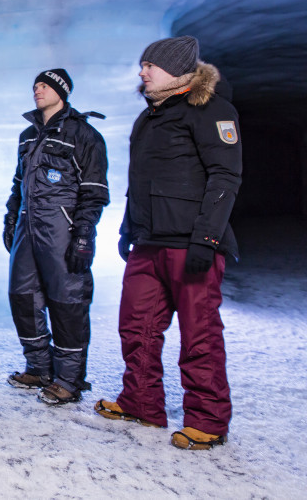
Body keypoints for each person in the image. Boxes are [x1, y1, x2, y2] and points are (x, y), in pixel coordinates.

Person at [96, 36, 241, 451]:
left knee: (200, 335)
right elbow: (139, 184)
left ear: (177, 70)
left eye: (149, 66)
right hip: (149, 242)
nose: (142, 72)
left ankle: (208, 420)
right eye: (142, 65)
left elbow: (225, 177)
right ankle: (142, 403)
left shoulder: (212, 111)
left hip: (190, 244)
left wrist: (207, 238)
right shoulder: (149, 118)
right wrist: (128, 228)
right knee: (136, 327)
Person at [3, 69, 110, 406]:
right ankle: (39, 367)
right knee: (22, 297)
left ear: (62, 91)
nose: (37, 90)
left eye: (45, 85)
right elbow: (18, 185)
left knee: (67, 301)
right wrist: (10, 220)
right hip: (27, 229)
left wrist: (83, 236)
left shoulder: (84, 135)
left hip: (61, 230)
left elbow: (94, 193)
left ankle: (68, 378)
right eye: (35, 85)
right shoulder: (27, 135)